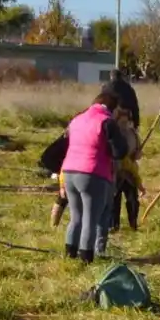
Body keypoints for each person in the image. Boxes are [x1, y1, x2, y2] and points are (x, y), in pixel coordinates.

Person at [60, 91, 130, 263]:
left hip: (69, 171)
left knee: (75, 217)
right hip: (92, 173)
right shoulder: (106, 122)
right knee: (90, 220)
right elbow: (120, 151)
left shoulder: (77, 119)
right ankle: (86, 259)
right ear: (112, 108)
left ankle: (69, 256)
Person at [111, 106, 145, 232]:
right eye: (122, 122)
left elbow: (139, 152)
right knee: (115, 200)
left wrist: (138, 154)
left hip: (130, 173)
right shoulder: (113, 134)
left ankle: (133, 224)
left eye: (127, 121)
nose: (125, 124)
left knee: (133, 200)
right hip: (116, 172)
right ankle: (114, 225)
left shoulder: (133, 134)